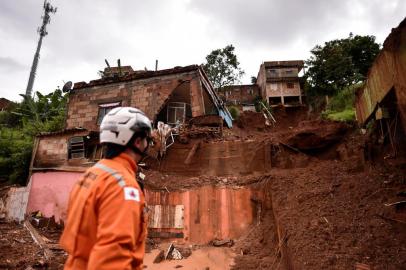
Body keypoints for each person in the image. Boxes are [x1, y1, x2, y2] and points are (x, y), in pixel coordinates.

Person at [60, 107, 152, 270]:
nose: (148, 144)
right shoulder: (123, 186)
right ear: (137, 142)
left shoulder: (92, 173)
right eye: (147, 139)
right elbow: (112, 256)